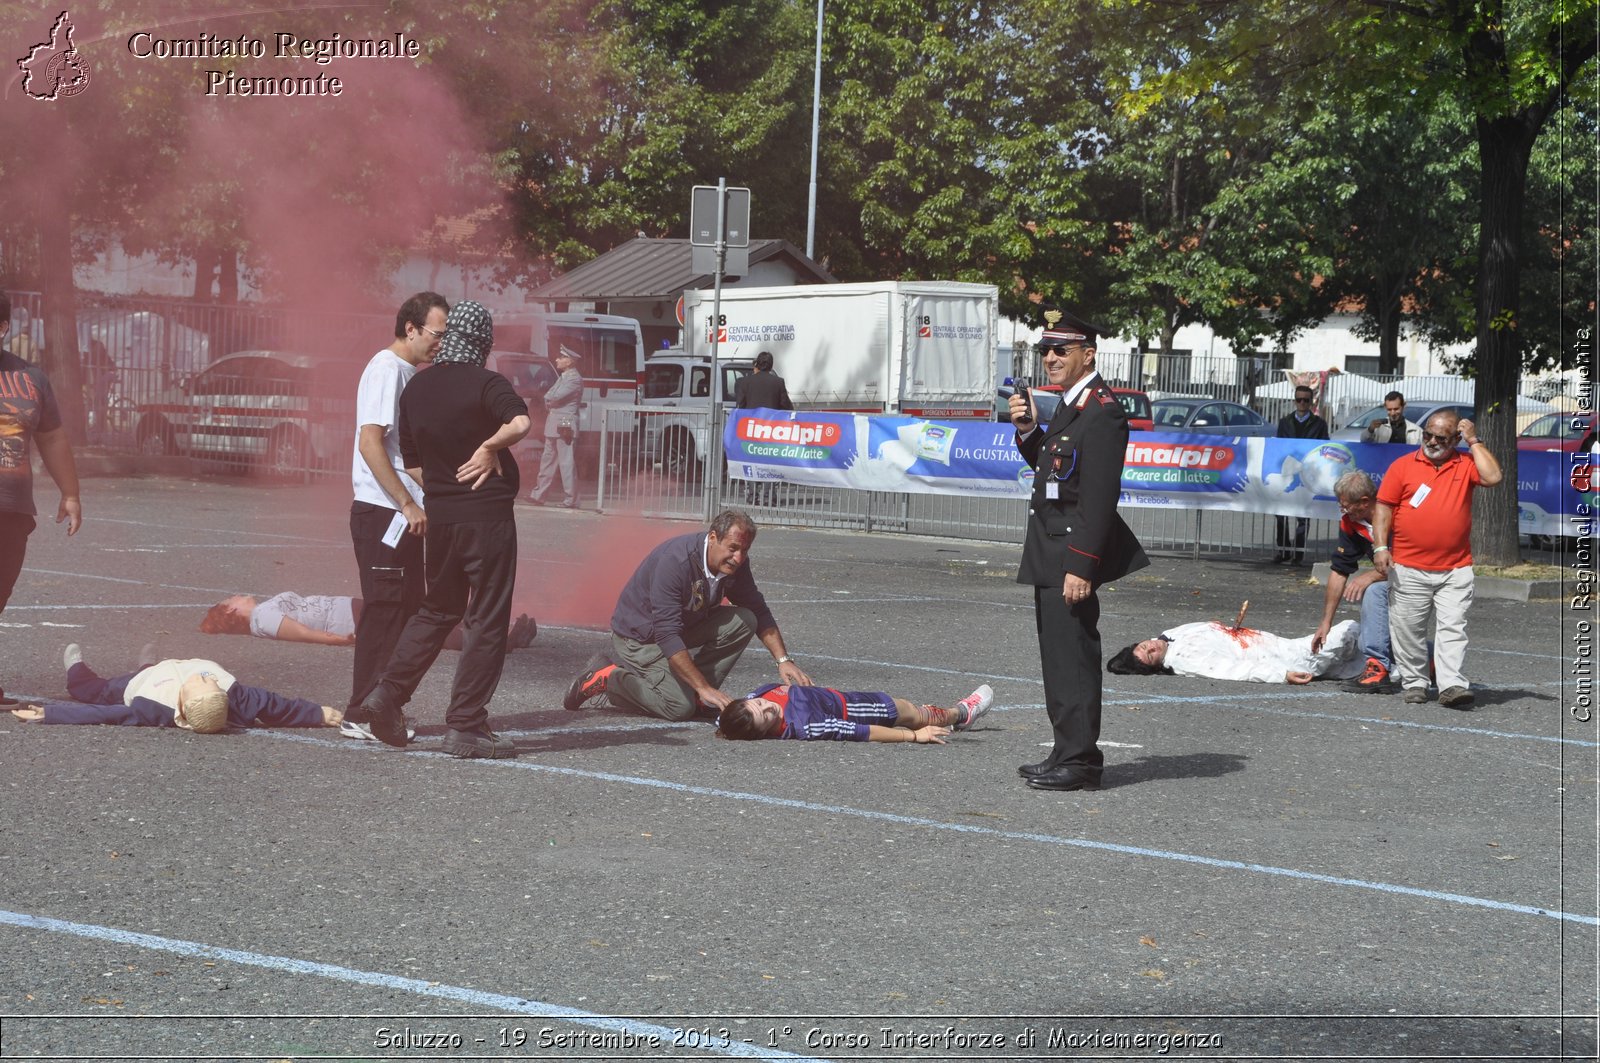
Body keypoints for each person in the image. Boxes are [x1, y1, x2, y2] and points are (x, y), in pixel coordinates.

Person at [355, 300, 531, 758]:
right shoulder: (488, 383)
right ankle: (466, 725)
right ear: (483, 344)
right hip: (486, 518)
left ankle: (386, 694)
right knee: (487, 617)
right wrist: (490, 447)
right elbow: (520, 422)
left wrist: (444, 482)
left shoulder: (416, 389)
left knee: (437, 609)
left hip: (443, 518)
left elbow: (411, 462)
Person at [1009, 310, 1148, 792]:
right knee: (1058, 657)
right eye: (1045, 350)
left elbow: (1098, 498)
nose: (1049, 357)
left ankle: (1083, 761)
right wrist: (1028, 432)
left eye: (1060, 350)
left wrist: (1082, 566)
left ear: (1088, 354)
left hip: (1070, 555)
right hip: (1052, 551)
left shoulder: (1102, 410)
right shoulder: (1073, 404)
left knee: (1076, 656)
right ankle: (1065, 748)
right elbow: (1055, 471)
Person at [562, 509, 812, 721]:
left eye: (744, 550)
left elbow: (757, 608)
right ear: (713, 537)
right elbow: (667, 634)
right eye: (733, 548)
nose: (738, 558)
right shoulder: (676, 562)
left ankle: (697, 695)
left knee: (745, 619)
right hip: (640, 638)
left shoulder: (735, 562)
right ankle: (608, 678)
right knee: (678, 707)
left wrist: (783, 660)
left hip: (681, 628)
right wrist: (702, 686)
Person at [344, 291, 448, 740]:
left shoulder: (408, 373)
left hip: (404, 515)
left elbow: (406, 454)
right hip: (383, 512)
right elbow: (371, 444)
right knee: (385, 613)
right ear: (411, 328)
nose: (441, 343)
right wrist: (406, 502)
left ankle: (382, 707)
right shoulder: (387, 369)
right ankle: (360, 712)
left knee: (407, 611)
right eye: (436, 334)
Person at [1373, 410, 1503, 708]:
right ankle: (1415, 682)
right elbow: (1384, 509)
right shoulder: (1402, 466)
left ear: (1456, 439)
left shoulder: (1466, 462)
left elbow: (1493, 476)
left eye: (1441, 437)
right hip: (1408, 566)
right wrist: (1381, 548)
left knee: (1452, 629)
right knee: (1408, 628)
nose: (1431, 441)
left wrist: (1474, 441)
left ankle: (1451, 686)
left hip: (1455, 568)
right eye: (1427, 434)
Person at [0, 291, 83, 707]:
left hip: (13, 510)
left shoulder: (32, 379)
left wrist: (70, 493)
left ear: (3, 328)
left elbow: (51, 437)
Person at [11, 644, 339, 731]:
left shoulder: (152, 707)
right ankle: (147, 661)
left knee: (93, 690)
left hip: (141, 683)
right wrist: (319, 713)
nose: (205, 679)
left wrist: (51, 713)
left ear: (183, 707)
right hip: (165, 667)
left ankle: (76, 671)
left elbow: (105, 714)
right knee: (151, 666)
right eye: (208, 683)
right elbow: (277, 707)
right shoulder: (236, 696)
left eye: (199, 685)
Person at [199, 592, 534, 651]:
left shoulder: (262, 613)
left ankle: (497, 631)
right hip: (352, 619)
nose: (239, 596)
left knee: (424, 617)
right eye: (233, 600)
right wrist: (338, 640)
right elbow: (300, 633)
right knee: (426, 626)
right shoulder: (262, 620)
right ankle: (499, 640)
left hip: (352, 610)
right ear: (232, 612)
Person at [1312, 470, 1395, 693]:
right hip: (1395, 581)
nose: (1343, 510)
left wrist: (1372, 575)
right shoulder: (1350, 523)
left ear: (1365, 502)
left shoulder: (1398, 516)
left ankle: (1377, 667)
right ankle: (1430, 660)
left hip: (1420, 578)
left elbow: (1410, 560)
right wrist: (1326, 622)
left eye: (1346, 505)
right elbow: (1339, 571)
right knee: (1369, 638)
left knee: (1374, 590)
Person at [1108, 618, 1365, 684]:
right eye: (1150, 654)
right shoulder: (1185, 660)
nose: (1151, 647)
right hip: (1287, 659)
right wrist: (1282, 675)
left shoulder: (1171, 635)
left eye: (1144, 645)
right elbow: (1232, 670)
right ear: (1155, 666)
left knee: (1358, 666)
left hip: (1284, 645)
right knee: (1349, 629)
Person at [716, 683, 992, 743]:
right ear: (764, 732)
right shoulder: (805, 725)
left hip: (836, 695)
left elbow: (726, 718)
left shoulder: (748, 704)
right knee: (912, 712)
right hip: (855, 709)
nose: (767, 706)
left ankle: (954, 715)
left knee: (909, 707)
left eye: (759, 704)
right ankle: (960, 714)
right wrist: (913, 737)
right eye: (765, 716)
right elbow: (860, 731)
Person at [1273, 384, 1329, 565]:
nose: (1302, 403)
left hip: (1308, 474)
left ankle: (1298, 552)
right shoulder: (1284, 422)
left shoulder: (1320, 424)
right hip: (1287, 473)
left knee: (1303, 514)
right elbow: (1279, 447)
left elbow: (1324, 447)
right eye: (1299, 400)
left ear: (1311, 402)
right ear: (1294, 401)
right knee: (1280, 513)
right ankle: (1283, 550)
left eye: (1306, 400)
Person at [733, 350, 794, 505]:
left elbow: (740, 404)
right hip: (771, 430)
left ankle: (752, 496)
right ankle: (768, 496)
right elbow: (785, 405)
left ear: (757, 364)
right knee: (769, 462)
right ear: (771, 365)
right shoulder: (778, 382)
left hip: (751, 429)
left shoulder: (745, 382)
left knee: (752, 461)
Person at [528, 343, 583, 508]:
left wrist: (549, 398)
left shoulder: (573, 378)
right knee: (547, 461)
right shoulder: (564, 377)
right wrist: (549, 397)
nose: (557, 360)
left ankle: (571, 499)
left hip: (564, 423)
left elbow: (554, 397)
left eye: (561, 357)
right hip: (555, 424)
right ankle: (538, 495)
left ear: (569, 361)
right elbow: (548, 396)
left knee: (566, 463)